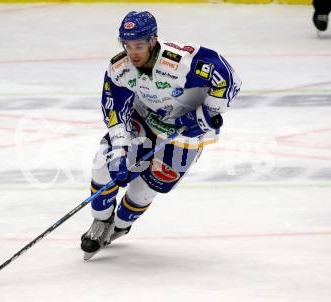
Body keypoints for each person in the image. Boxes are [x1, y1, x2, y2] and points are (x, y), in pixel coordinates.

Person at [80, 11, 241, 260]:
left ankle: (120, 225)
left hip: (186, 133)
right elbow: (114, 109)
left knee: (144, 190)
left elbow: (228, 79)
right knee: (105, 165)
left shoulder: (180, 62)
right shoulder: (120, 68)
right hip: (144, 117)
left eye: (139, 45)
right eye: (128, 45)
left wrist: (206, 114)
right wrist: (120, 150)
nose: (133, 52)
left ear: (153, 41)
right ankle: (100, 221)